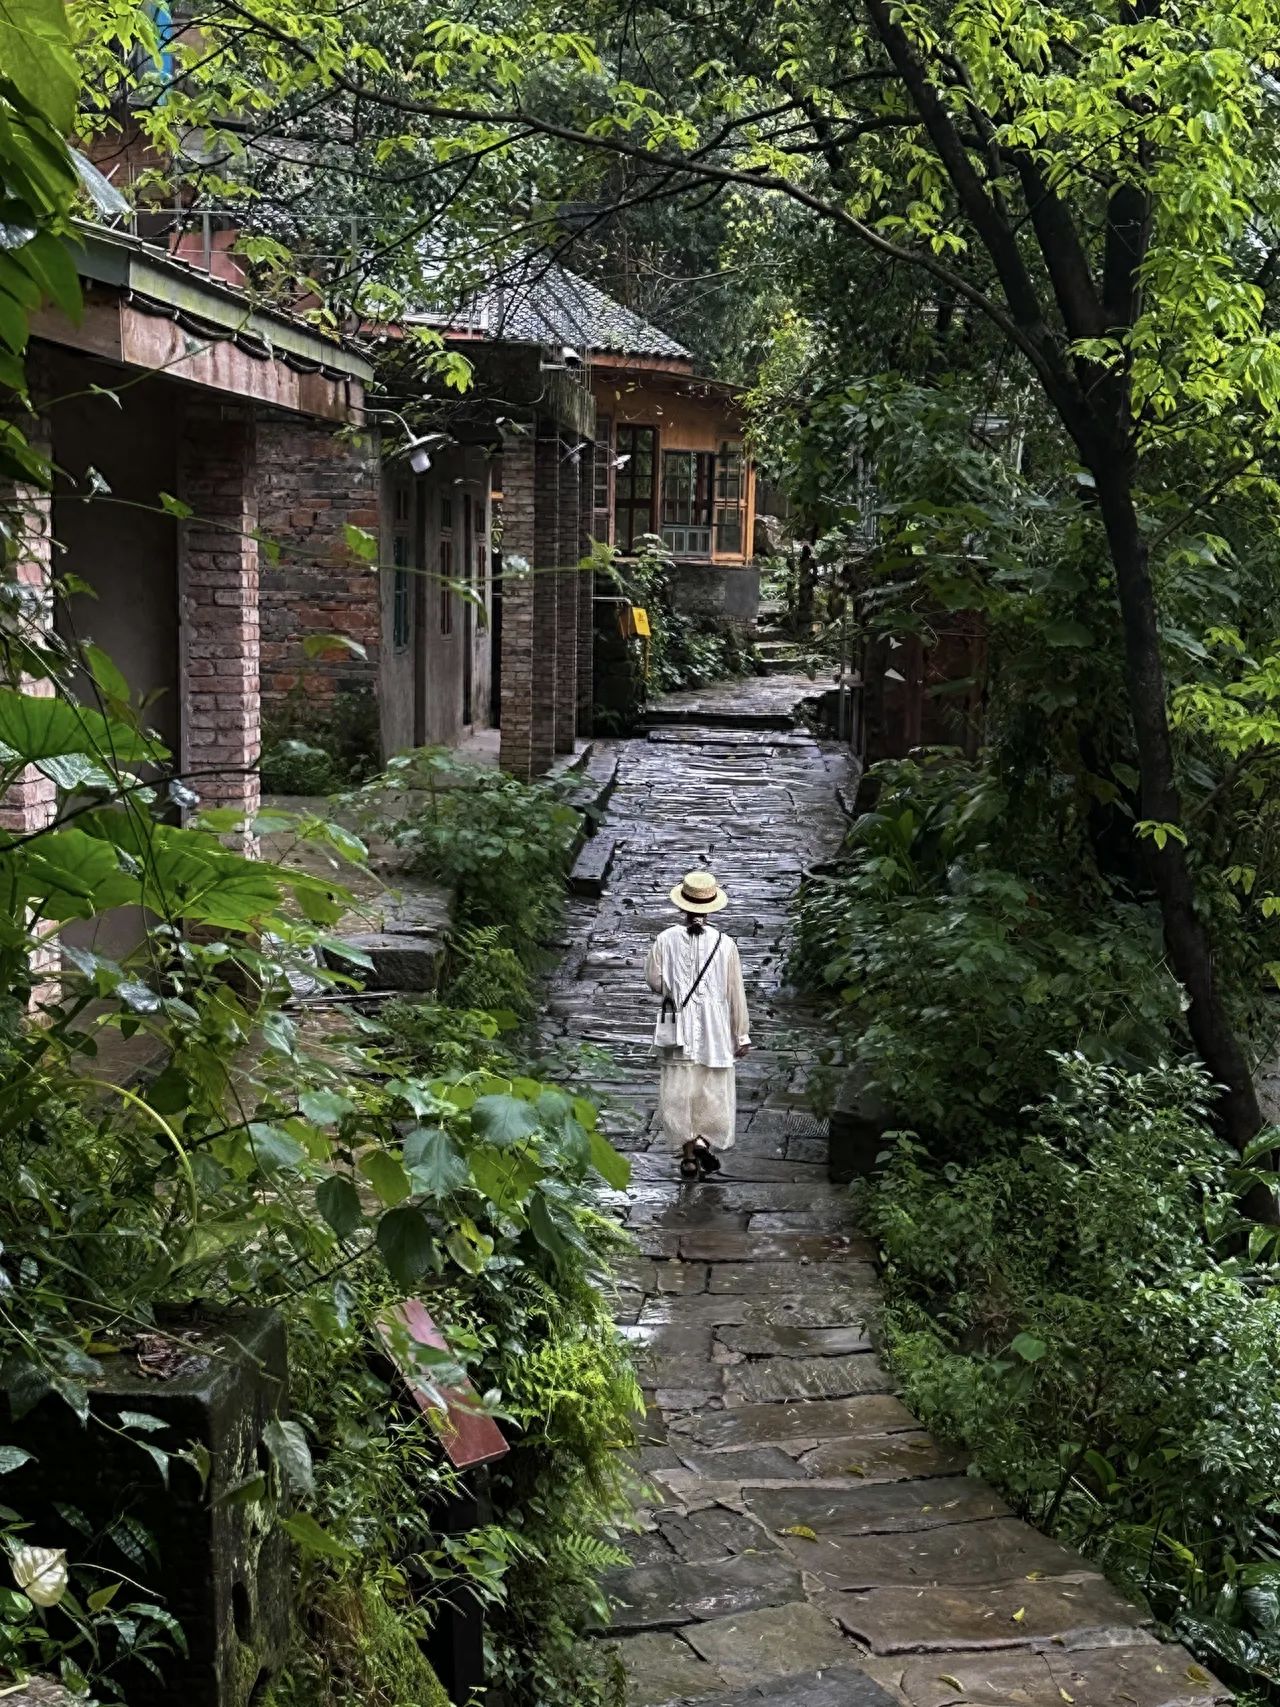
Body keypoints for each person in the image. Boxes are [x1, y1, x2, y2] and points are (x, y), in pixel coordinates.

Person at [644, 870, 751, 1180]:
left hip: (678, 1026)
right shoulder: (726, 944)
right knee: (712, 1089)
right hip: (716, 1029)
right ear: (711, 907)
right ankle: (705, 1140)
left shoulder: (665, 940)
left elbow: (654, 981)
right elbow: (735, 992)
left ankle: (689, 1158)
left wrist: (674, 989)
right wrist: (740, 1034)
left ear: (683, 906)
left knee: (680, 1093)